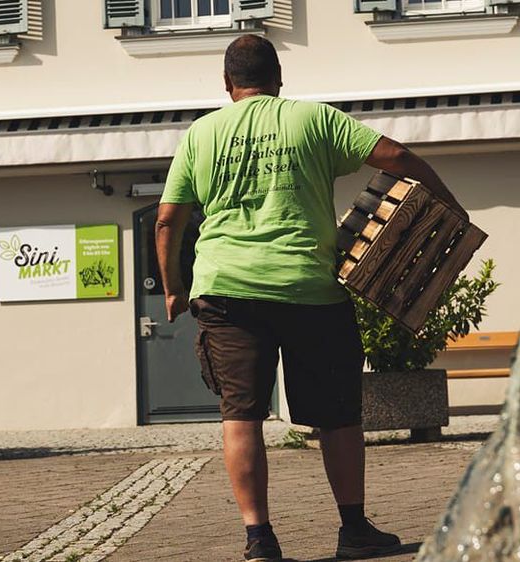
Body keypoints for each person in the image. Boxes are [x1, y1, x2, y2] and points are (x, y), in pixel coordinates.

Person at [155, 35, 465, 562]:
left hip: (227, 291)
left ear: (228, 85)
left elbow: (167, 220)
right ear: (279, 79)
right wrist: (453, 208)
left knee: (242, 414)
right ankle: (353, 530)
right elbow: (398, 157)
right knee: (338, 415)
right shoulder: (312, 119)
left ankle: (259, 539)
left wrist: (173, 287)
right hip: (310, 291)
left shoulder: (200, 135)